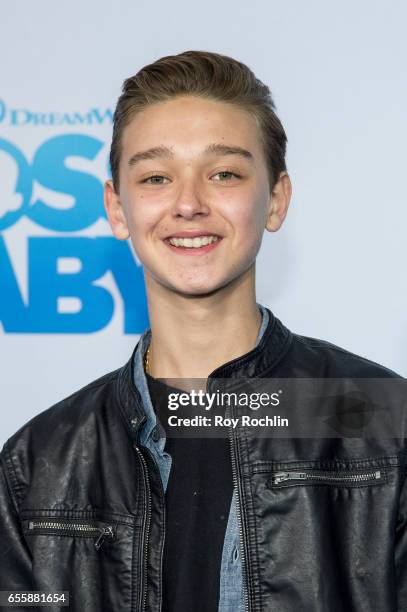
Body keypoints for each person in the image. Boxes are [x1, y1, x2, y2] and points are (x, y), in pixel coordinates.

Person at [0, 50, 405, 612]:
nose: (188, 204)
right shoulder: (39, 462)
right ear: (117, 209)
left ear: (276, 199)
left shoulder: (384, 422)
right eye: (157, 177)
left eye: (224, 174)